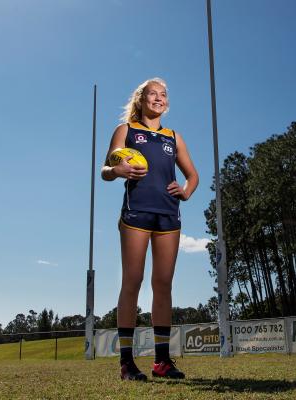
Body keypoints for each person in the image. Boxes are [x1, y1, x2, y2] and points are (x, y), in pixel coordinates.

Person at [102, 78, 198, 381]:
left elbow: (193, 176)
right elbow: (106, 170)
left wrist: (185, 191)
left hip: (168, 215)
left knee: (163, 284)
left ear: (166, 103)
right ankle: (126, 363)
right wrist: (117, 170)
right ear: (141, 99)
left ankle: (162, 362)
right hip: (136, 214)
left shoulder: (174, 137)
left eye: (163, 95)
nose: (158, 98)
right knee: (133, 281)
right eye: (152, 94)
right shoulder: (126, 130)